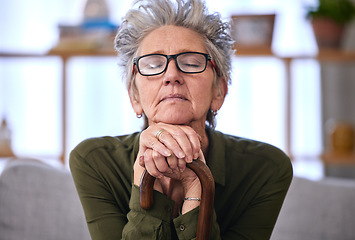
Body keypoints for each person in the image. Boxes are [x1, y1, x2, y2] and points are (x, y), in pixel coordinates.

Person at [69, 0, 293, 239]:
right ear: (134, 96)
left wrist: (198, 186)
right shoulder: (94, 161)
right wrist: (145, 183)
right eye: (154, 64)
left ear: (219, 92)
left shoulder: (266, 168)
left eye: (191, 63)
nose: (172, 75)